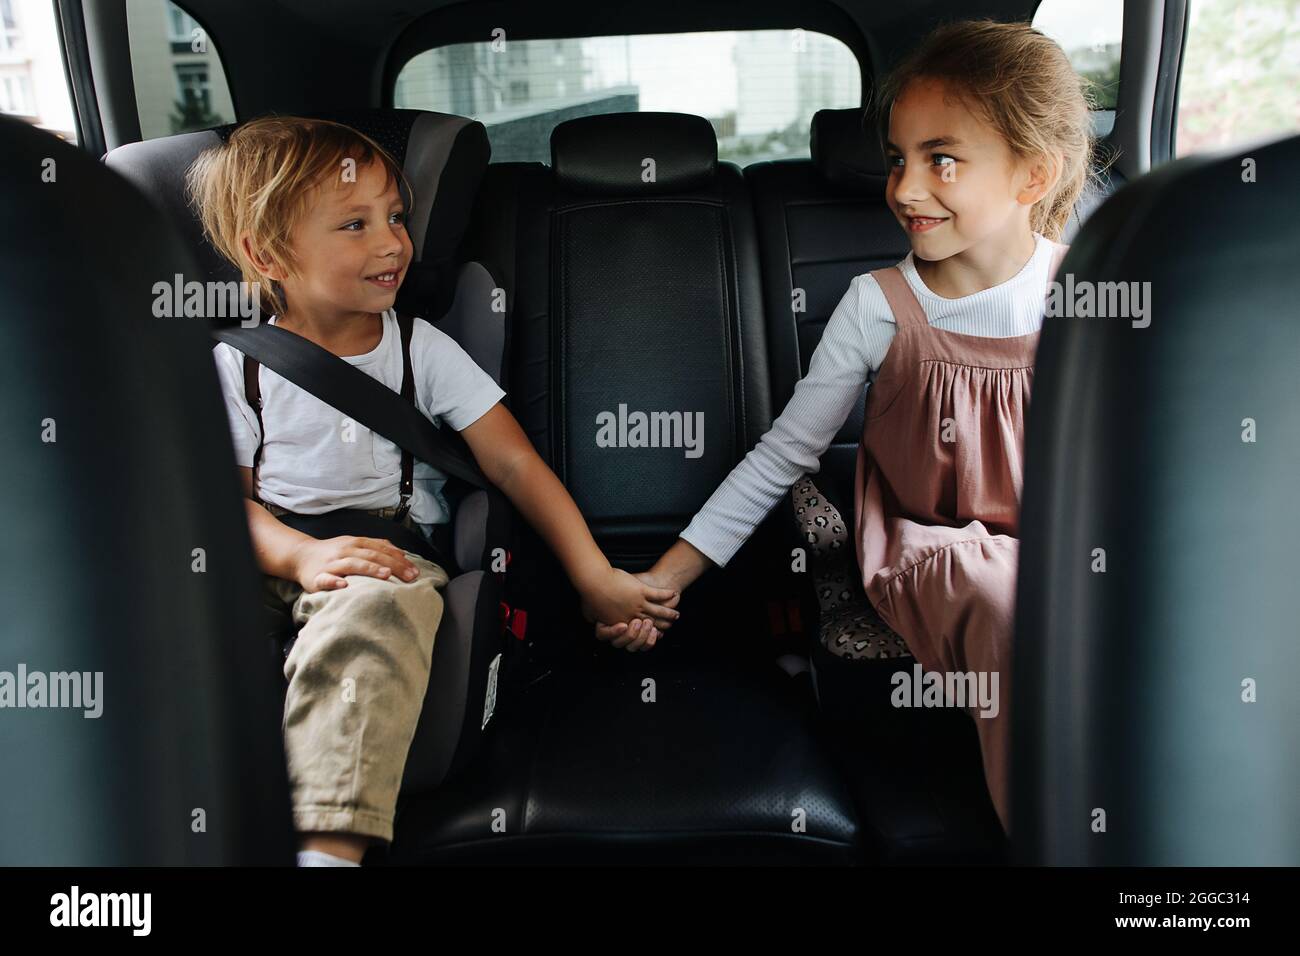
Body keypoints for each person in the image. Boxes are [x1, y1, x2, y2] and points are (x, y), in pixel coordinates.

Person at [596, 19, 1098, 832]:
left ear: (1032, 174)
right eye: (898, 159)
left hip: (1061, 538)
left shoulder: (1084, 288)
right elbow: (780, 456)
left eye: (943, 160)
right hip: (929, 550)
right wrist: (663, 580)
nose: (903, 189)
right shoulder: (880, 306)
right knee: (1010, 600)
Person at [192, 116, 681, 865]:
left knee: (376, 609)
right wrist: (297, 557)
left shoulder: (422, 350)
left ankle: (326, 847)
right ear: (267, 255)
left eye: (395, 217)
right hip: (273, 552)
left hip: (385, 557)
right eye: (355, 224)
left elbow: (515, 466)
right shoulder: (238, 367)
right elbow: (229, 505)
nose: (392, 243)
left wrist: (593, 576)